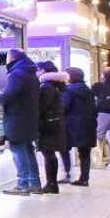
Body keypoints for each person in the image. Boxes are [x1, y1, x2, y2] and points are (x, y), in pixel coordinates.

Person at [0, 49, 42, 194]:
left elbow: (10, 94)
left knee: (18, 149)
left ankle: (23, 184)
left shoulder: (17, 74)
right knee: (28, 149)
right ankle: (35, 183)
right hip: (30, 117)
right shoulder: (31, 73)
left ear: (11, 58)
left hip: (17, 118)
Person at [36, 60, 68, 193]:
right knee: (50, 153)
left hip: (48, 124)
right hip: (56, 122)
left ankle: (52, 183)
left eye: (38, 70)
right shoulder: (56, 85)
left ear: (43, 71)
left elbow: (43, 106)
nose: (36, 72)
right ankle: (52, 183)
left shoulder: (46, 86)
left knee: (48, 153)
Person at [61, 66, 96, 186]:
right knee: (85, 152)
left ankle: (67, 173)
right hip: (87, 124)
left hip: (70, 124)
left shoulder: (67, 90)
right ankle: (84, 178)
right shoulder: (88, 90)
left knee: (64, 148)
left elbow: (64, 106)